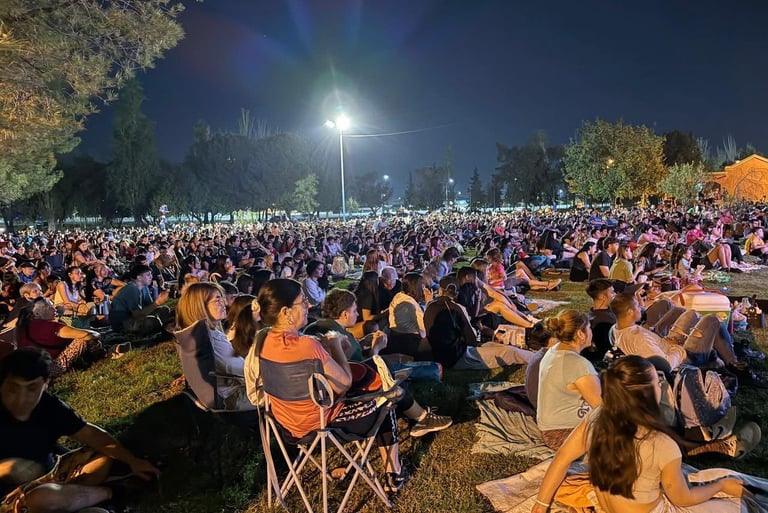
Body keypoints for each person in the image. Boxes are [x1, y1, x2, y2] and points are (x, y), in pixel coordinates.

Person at [532, 356, 759, 513]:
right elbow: (682, 499)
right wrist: (721, 486)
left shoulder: (597, 417)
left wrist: (541, 505)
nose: (661, 385)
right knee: (742, 506)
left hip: (608, 507)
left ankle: (716, 447)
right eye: (657, 381)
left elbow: (562, 458)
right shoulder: (660, 443)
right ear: (647, 393)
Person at [249, 279, 410, 492]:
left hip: (287, 425)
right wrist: (335, 344)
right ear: (286, 312)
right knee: (385, 400)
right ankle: (394, 473)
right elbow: (344, 384)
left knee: (375, 372)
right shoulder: (306, 345)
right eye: (303, 301)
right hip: (322, 427)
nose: (308, 306)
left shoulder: (263, 340)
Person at [0, 348, 159, 513]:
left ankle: (74, 499)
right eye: (13, 389)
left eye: (32, 389)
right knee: (45, 498)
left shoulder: (50, 406)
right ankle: (112, 492)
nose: (21, 398)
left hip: (54, 476)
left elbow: (90, 434)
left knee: (106, 452)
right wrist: (5, 469)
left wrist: (133, 461)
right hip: (10, 498)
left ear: (45, 384)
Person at [303, 288, 452, 437]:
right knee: (406, 372)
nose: (357, 314)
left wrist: (362, 343)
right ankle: (421, 415)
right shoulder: (336, 336)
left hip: (318, 395)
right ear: (344, 314)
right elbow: (363, 371)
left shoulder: (314, 329)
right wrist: (376, 348)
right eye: (354, 310)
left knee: (399, 367)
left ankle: (416, 411)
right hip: (355, 389)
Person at [423, 276, 533, 369]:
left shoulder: (430, 305)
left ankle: (533, 354)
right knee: (507, 352)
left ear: (440, 291)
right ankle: (537, 358)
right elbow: (472, 339)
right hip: (456, 358)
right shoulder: (457, 307)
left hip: (437, 356)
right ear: (457, 293)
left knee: (494, 346)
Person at [175, 282, 253, 410]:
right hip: (234, 398)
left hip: (229, 392)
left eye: (222, 298)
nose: (225, 303)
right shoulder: (212, 340)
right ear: (200, 306)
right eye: (217, 300)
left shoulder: (196, 335)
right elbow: (246, 371)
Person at [536, 310, 602, 449]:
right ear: (580, 334)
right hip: (566, 433)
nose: (591, 332)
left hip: (550, 429)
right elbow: (601, 407)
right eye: (589, 328)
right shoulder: (578, 364)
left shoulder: (553, 351)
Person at [109, 265, 173, 338]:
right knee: (152, 321)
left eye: (151, 274)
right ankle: (144, 336)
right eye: (148, 275)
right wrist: (157, 303)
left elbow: (150, 306)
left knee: (164, 310)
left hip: (135, 316)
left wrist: (161, 297)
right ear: (139, 277)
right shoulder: (131, 289)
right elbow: (137, 314)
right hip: (123, 322)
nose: (151, 277)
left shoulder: (144, 287)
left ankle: (162, 330)